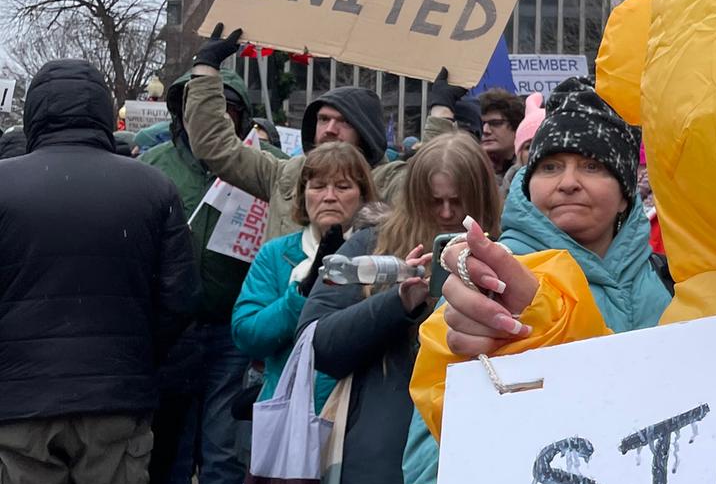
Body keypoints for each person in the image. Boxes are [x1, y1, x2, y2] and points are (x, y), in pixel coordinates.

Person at [405, 78, 671, 484]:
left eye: (592, 166)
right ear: (528, 183)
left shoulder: (670, 282)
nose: (568, 182)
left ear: (625, 193)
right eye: (550, 167)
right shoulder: (487, 280)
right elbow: (425, 467)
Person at [0, 60, 198, 484]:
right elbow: (180, 299)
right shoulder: (152, 186)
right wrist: (135, 357)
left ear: (35, 113)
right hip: (118, 397)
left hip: (19, 401)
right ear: (101, 112)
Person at [299, 134, 501, 484]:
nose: (448, 214)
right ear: (413, 197)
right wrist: (399, 302)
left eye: (460, 203)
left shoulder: (510, 254)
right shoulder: (372, 246)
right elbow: (317, 345)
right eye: (435, 202)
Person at [137, 65, 267, 484]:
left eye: (229, 110)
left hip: (233, 333)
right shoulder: (153, 168)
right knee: (168, 457)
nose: (215, 118)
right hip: (172, 334)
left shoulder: (260, 168)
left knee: (222, 455)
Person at [180, 25, 457, 242]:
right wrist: (205, 68)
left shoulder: (391, 180)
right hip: (285, 298)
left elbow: (433, 177)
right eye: (323, 119)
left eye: (343, 122)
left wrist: (441, 112)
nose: (329, 130)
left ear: (367, 132)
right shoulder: (285, 174)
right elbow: (215, 146)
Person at [230, 142, 377, 414]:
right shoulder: (275, 254)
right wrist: (302, 293)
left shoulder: (379, 253)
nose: (329, 197)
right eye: (318, 186)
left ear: (363, 196)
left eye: (342, 187)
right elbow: (247, 334)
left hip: (355, 411)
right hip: (288, 409)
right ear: (303, 195)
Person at [475, 88, 525, 181]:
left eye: (496, 123)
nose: (485, 130)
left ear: (517, 126)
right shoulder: (468, 170)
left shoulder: (530, 168)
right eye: (480, 124)